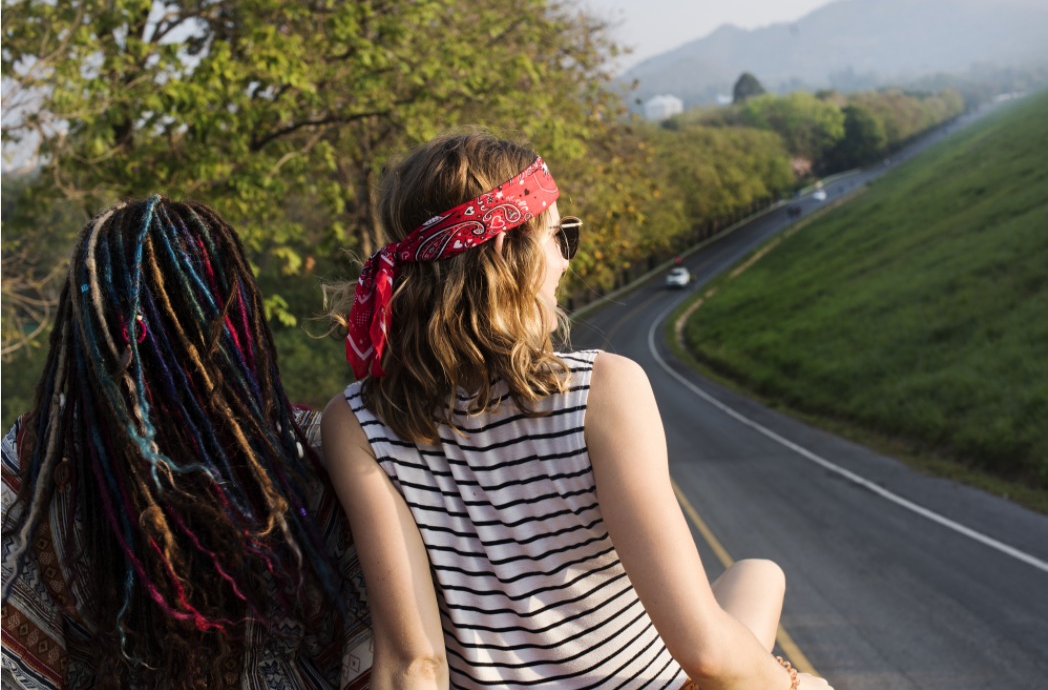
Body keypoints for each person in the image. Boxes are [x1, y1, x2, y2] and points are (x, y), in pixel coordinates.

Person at [322, 130, 833, 689]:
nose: (566, 262)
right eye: (561, 236)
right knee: (759, 580)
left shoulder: (356, 423)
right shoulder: (601, 389)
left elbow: (413, 664)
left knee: (758, 575)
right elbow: (706, 654)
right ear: (506, 254)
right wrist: (794, 685)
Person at [1, 196, 372, 689]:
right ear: (229, 308)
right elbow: (378, 643)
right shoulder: (317, 449)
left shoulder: (36, 460)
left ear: (89, 320)